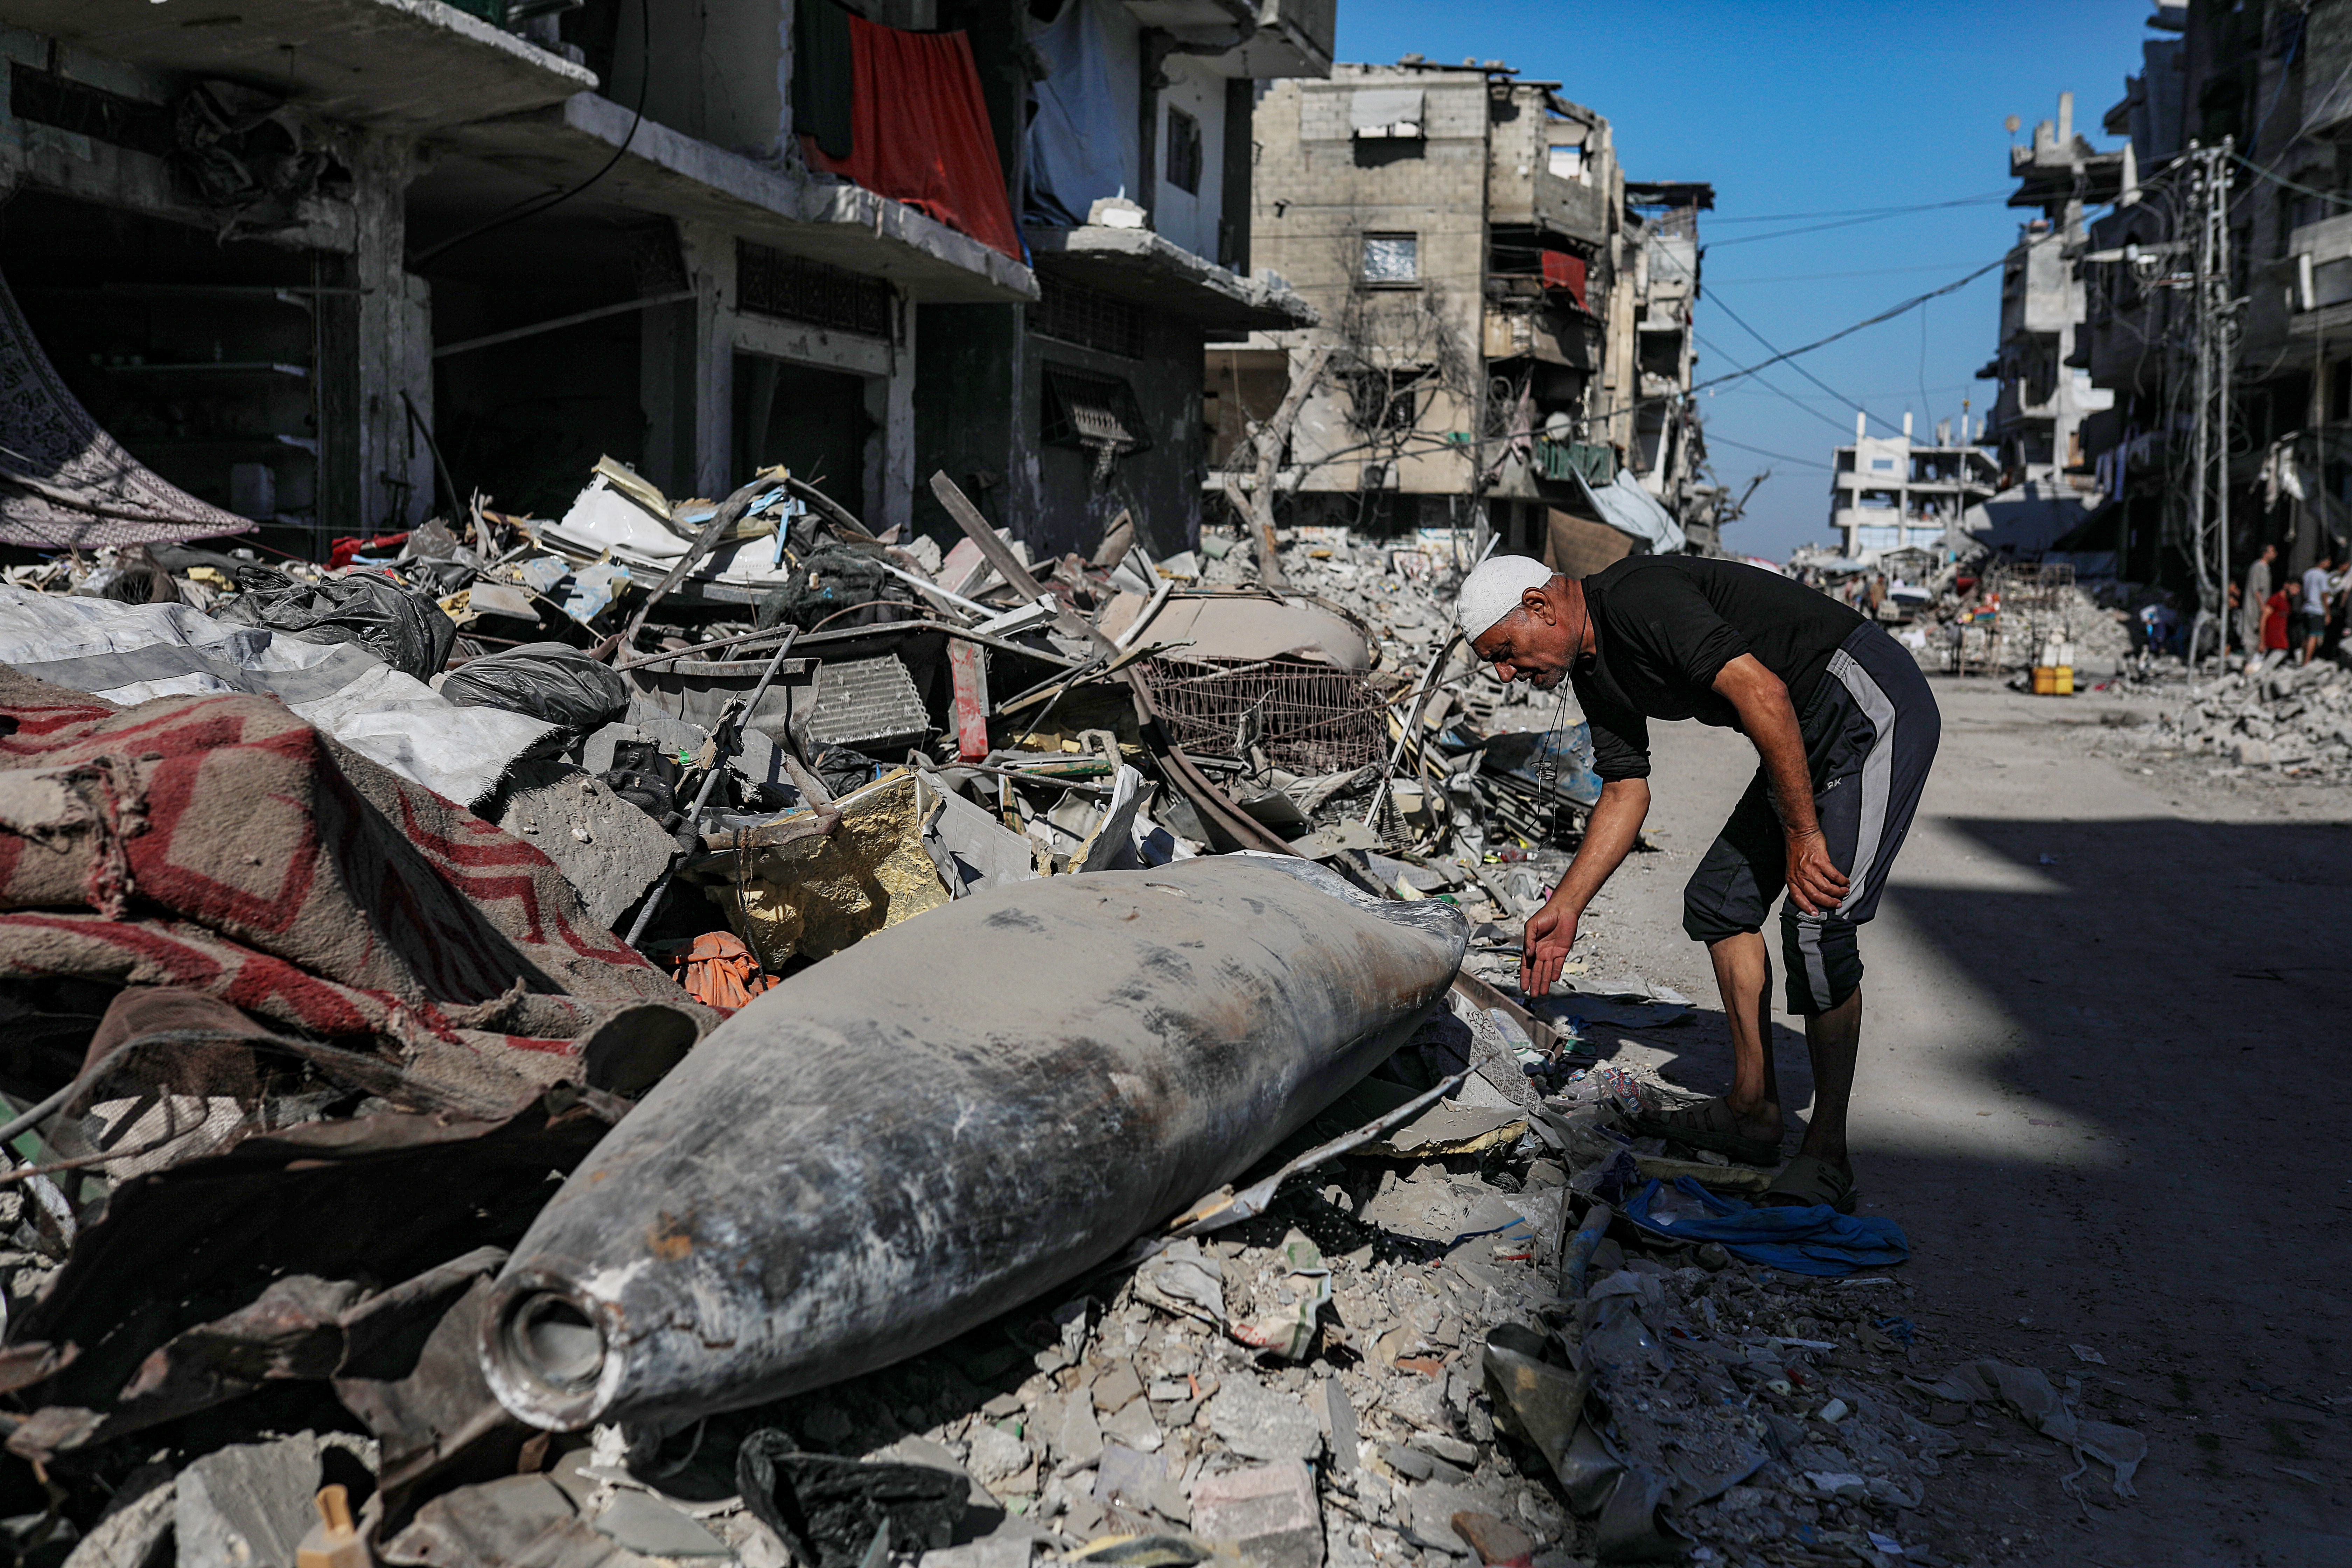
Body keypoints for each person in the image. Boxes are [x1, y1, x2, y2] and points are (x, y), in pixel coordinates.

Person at [1457, 554, 1940, 1212]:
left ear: (1541, 606)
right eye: (1496, 664)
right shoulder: (1594, 668)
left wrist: (1802, 836)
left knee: (1817, 920)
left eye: (1506, 652)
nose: (1508, 673)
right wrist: (1566, 905)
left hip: (1866, 702)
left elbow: (1763, 693)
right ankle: (1752, 1109)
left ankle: (1827, 1155)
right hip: (1797, 733)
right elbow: (1626, 790)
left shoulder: (1638, 598)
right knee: (1720, 903)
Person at [2300, 550, 2336, 665]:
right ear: (2324, 562)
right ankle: (2307, 662)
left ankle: (2303, 659)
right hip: (2317, 609)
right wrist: (2328, 613)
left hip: (2307, 608)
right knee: (2314, 636)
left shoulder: (2308, 574)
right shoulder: (2323, 575)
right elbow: (2324, 595)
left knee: (2306, 635)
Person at [2243, 543, 2275, 659]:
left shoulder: (2265, 568)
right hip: (2255, 607)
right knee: (2253, 632)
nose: (2275, 555)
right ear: (2265, 553)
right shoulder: (2259, 567)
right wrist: (2262, 606)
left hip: (2261, 607)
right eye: (2272, 552)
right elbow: (2257, 590)